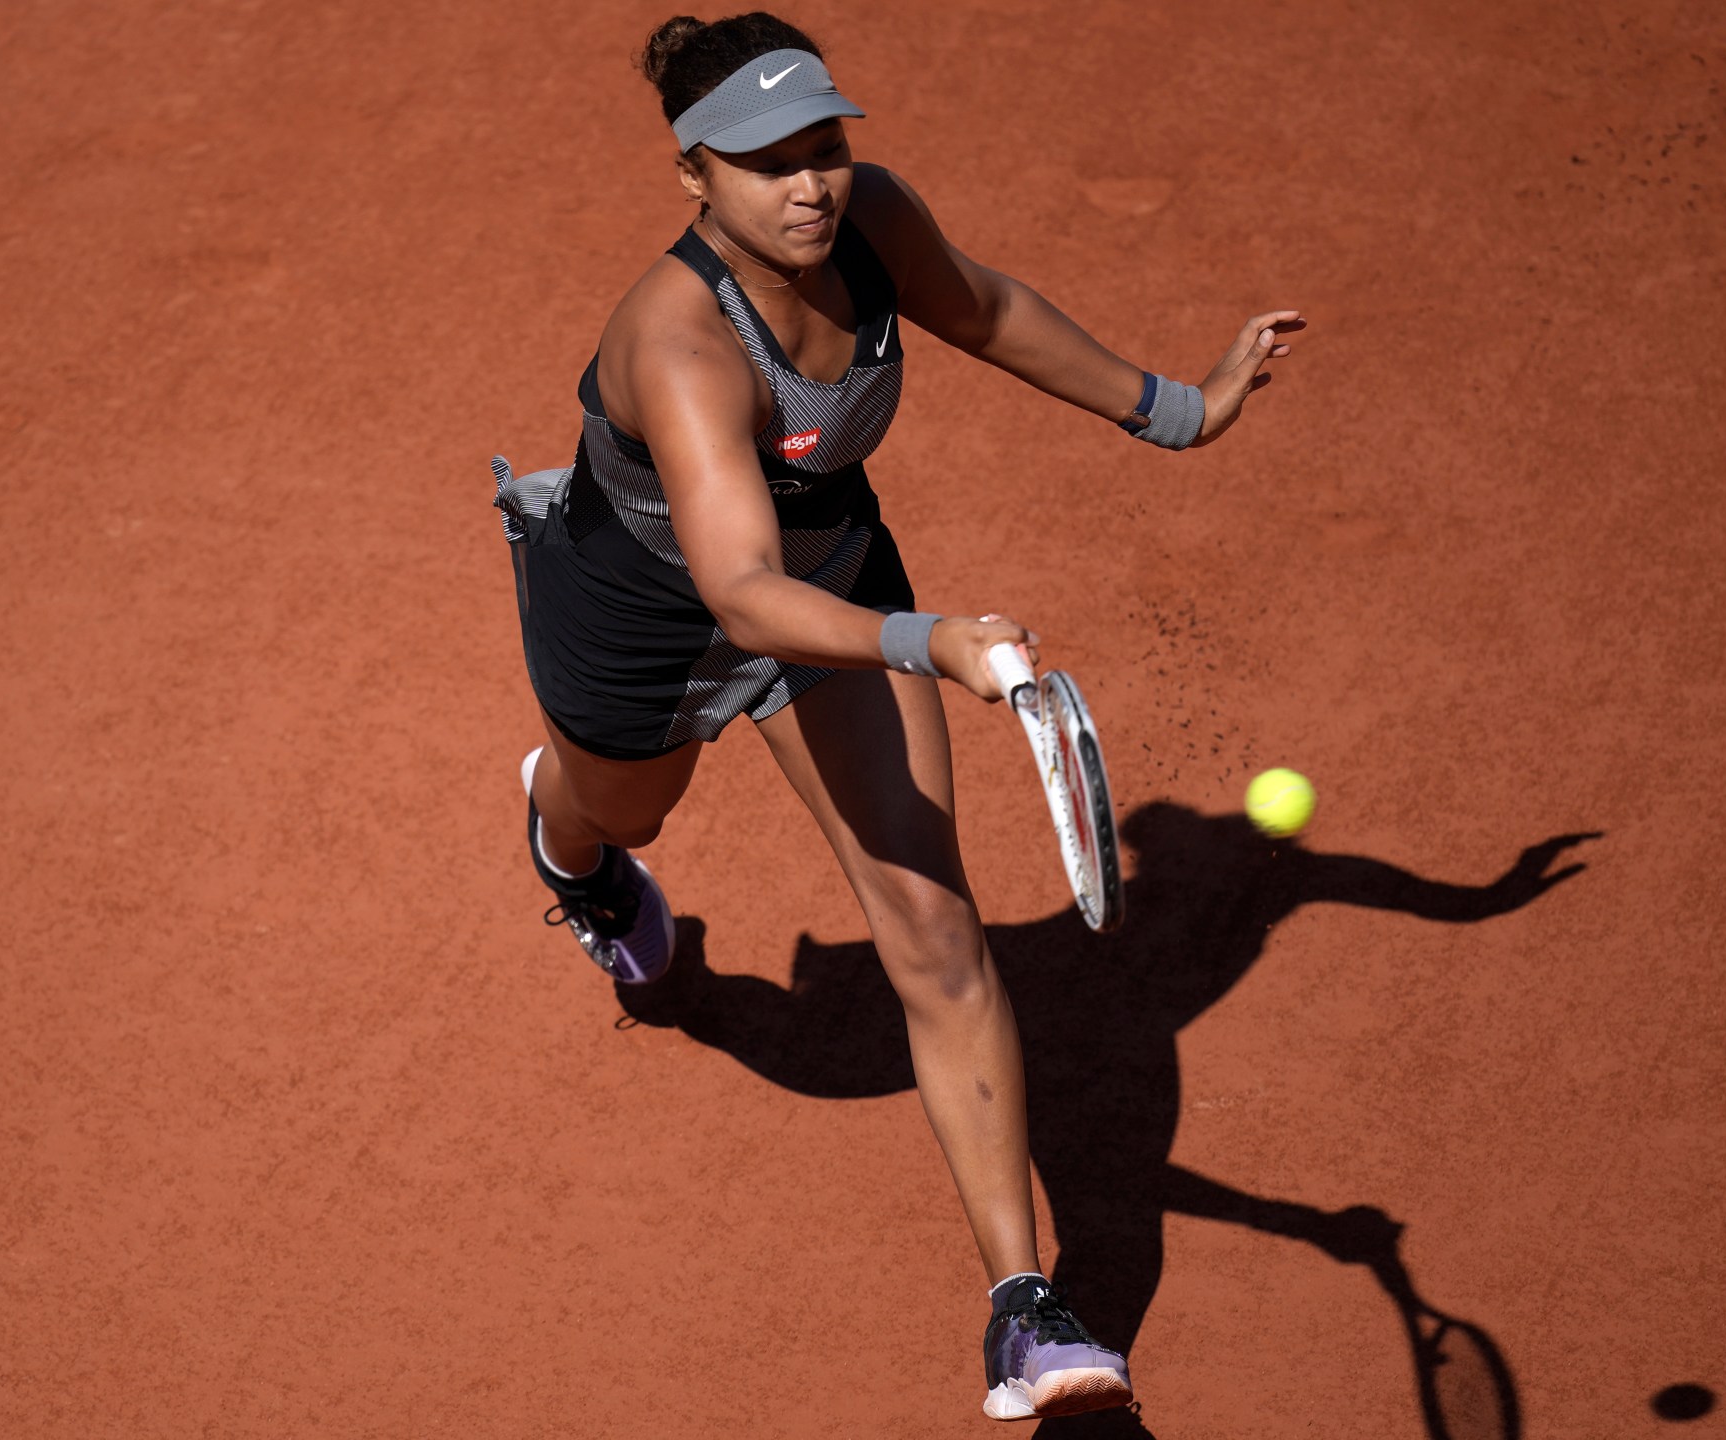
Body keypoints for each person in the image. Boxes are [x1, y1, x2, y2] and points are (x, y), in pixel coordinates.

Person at [492, 11, 1300, 1422]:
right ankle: (572, 858)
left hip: (831, 587)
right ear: (694, 172)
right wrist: (936, 645)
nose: (810, 185)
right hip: (644, 620)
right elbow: (736, 591)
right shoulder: (680, 340)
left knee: (933, 925)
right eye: (765, 162)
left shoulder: (869, 227)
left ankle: (1025, 1310)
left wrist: (1176, 410)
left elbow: (985, 310)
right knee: (618, 806)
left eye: (825, 148)